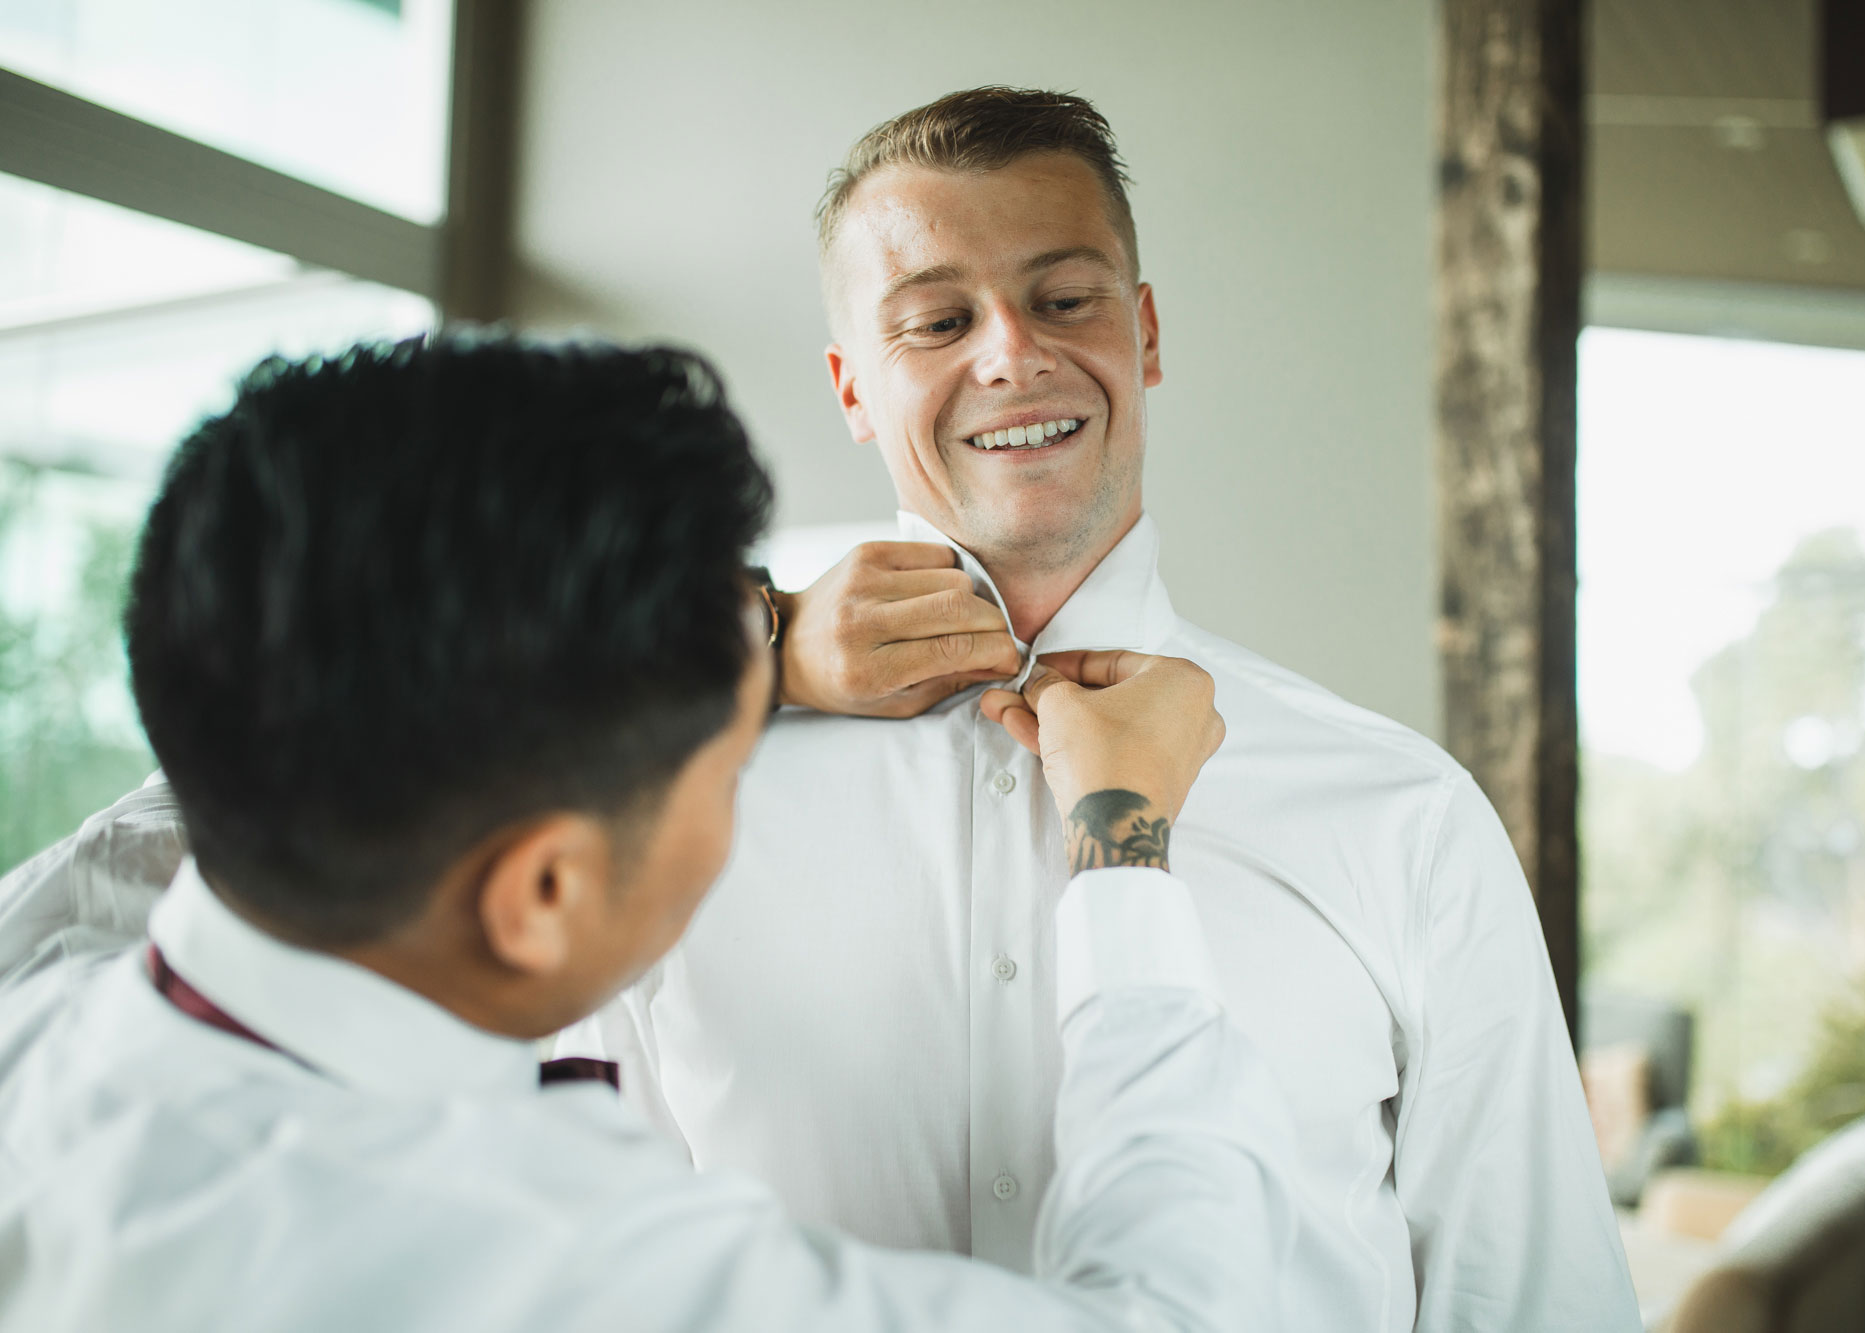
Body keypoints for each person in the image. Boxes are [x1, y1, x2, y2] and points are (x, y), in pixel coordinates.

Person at [561, 88, 1640, 1330]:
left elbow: (1534, 1298)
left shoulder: (1404, 813)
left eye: (1063, 299)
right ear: (851, 387)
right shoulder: (666, 796)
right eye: (936, 319)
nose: (1010, 352)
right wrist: (758, 642)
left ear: (1144, 332)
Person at [0, 337, 1301, 1330]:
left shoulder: (44, 991)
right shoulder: (588, 1278)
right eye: (732, 759)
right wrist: (1122, 844)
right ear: (545, 891)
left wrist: (772, 651)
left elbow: (221, 768)